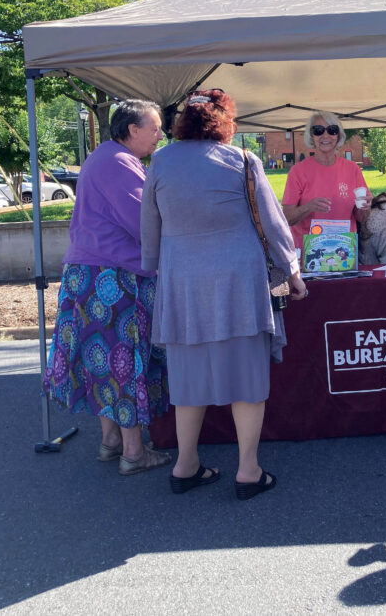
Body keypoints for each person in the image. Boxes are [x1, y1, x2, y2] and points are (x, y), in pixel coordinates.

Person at [140, 89, 307, 499]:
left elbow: (150, 231)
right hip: (239, 285)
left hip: (182, 286)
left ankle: (185, 465)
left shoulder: (160, 161)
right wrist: (294, 273)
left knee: (187, 380)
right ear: (225, 123)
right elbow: (272, 224)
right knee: (247, 378)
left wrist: (156, 266)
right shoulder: (243, 161)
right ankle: (248, 471)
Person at [42, 99, 171, 476]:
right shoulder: (118, 163)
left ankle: (111, 441)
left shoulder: (104, 157)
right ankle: (134, 452)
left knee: (103, 360)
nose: (160, 134)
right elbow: (145, 222)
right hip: (115, 277)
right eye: (155, 127)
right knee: (125, 360)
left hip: (92, 274)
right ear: (133, 129)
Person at [281, 111, 371, 249]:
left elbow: (362, 218)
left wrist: (365, 207)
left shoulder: (352, 169)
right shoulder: (297, 171)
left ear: (338, 135)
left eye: (332, 130)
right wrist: (308, 207)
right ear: (311, 136)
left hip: (344, 252)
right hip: (309, 254)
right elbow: (288, 218)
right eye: (318, 131)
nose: (325, 135)